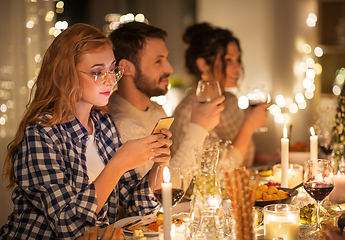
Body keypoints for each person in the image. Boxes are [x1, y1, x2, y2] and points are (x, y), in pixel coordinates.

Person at [0, 23, 172, 240]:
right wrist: (117, 165)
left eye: (112, 69)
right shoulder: (41, 134)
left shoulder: (104, 125)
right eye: (98, 72)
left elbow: (139, 207)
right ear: (66, 75)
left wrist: (159, 163)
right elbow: (69, 224)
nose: (110, 80)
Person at [107, 22, 225, 177]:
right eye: (158, 61)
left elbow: (173, 167)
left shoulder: (156, 110)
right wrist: (199, 127)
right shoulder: (123, 126)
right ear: (126, 68)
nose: (169, 68)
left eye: (166, 59)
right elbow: (160, 192)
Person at [171, 22, 279, 168]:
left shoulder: (231, 101)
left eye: (238, 59)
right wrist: (249, 125)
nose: (238, 67)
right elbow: (219, 171)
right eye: (229, 59)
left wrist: (274, 158)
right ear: (203, 65)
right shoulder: (189, 113)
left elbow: (241, 152)